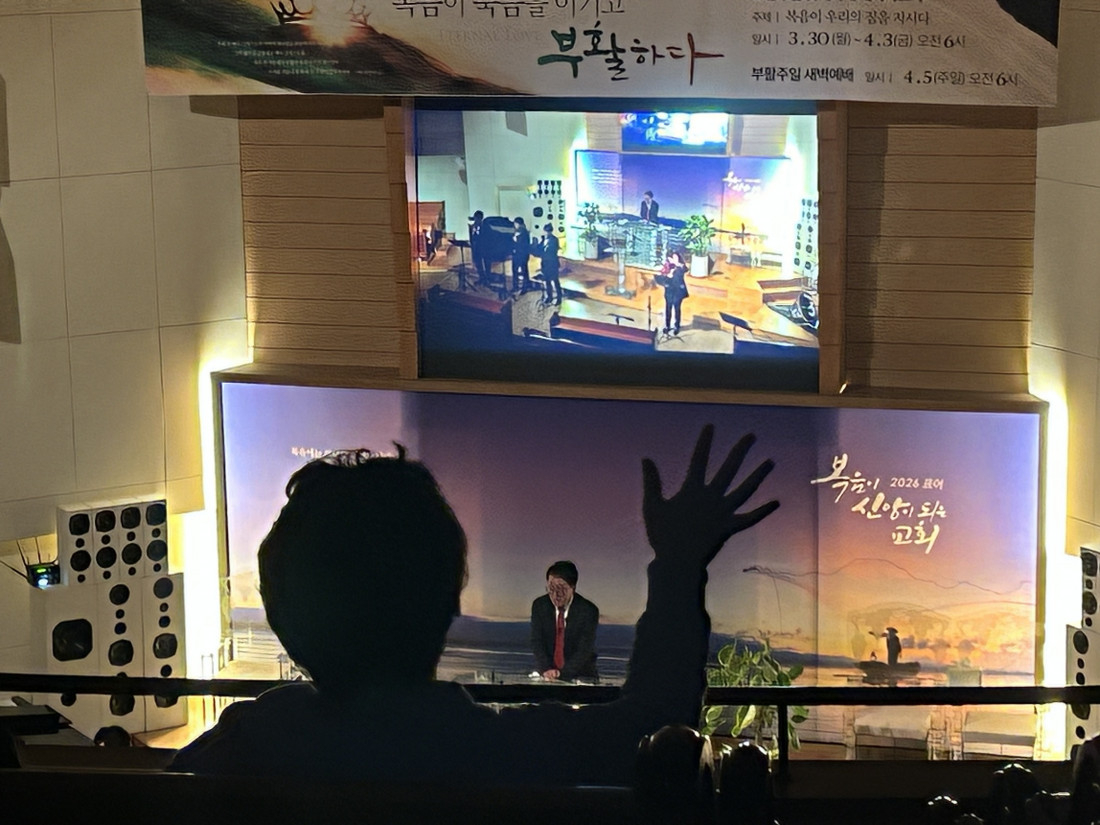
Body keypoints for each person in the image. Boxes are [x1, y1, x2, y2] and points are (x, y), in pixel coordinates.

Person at [169, 426, 778, 786]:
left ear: (280, 615)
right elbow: (656, 726)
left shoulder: (236, 752)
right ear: (451, 598)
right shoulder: (507, 753)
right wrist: (678, 562)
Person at [531, 561, 598, 681]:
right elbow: (537, 642)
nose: (556, 595)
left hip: (580, 676)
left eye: (561, 589)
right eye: (551, 588)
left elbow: (584, 650)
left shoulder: (588, 611)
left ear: (573, 587)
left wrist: (560, 674)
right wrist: (547, 669)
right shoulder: (540, 606)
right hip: (547, 675)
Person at [656, 249, 689, 335]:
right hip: (669, 291)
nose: (674, 259)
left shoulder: (680, 267)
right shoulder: (667, 266)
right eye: (673, 258)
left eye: (676, 258)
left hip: (678, 291)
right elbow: (661, 277)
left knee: (677, 309)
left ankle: (676, 326)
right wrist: (667, 275)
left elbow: (685, 269)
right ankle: (667, 326)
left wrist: (677, 264)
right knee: (668, 309)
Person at [535, 223, 562, 305]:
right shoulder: (543, 239)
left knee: (555, 280)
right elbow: (539, 249)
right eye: (546, 231)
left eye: (548, 231)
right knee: (547, 281)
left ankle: (559, 298)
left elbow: (552, 251)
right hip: (545, 263)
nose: (546, 233)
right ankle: (549, 297)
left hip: (552, 263)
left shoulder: (554, 240)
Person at [468, 211, 490, 287]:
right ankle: (481, 278)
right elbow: (472, 237)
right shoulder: (473, 226)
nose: (476, 220)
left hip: (483, 249)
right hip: (476, 249)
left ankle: (487, 279)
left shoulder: (484, 226)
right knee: (478, 264)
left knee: (485, 265)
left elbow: (485, 238)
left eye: (477, 218)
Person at [511, 216, 531, 294]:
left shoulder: (524, 233)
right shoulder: (516, 232)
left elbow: (524, 245)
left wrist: (516, 240)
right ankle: (515, 286)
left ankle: (525, 287)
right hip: (516, 255)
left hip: (522, 255)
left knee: (524, 271)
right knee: (515, 271)